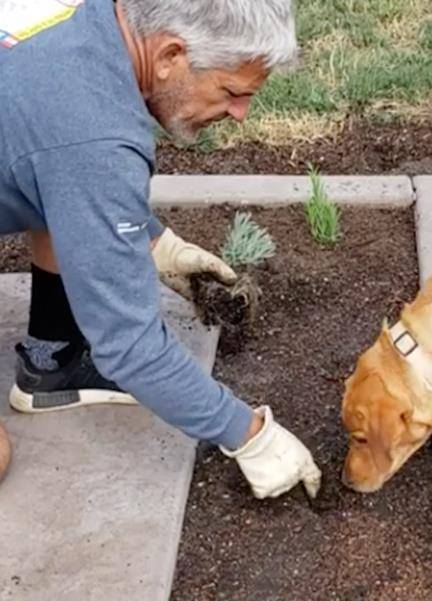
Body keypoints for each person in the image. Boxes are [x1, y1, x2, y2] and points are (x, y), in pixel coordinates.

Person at [0, 0, 322, 498]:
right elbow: (129, 346)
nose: (241, 114)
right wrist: (249, 435)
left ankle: (52, 362)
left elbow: (61, 164)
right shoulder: (94, 133)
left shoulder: (88, 20)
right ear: (171, 55)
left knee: (56, 187)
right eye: (233, 92)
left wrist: (154, 240)